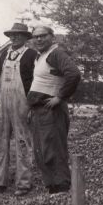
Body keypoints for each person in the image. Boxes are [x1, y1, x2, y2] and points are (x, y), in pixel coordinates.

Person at [0, 23, 37, 195]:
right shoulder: (5, 54)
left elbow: (35, 83)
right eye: (12, 35)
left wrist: (31, 107)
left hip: (22, 102)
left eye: (18, 35)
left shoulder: (31, 55)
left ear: (25, 38)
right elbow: (1, 80)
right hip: (3, 101)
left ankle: (23, 183)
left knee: (23, 142)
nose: (14, 38)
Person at [27, 26, 81, 194]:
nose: (39, 39)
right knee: (42, 152)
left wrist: (60, 97)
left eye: (43, 36)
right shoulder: (40, 56)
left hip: (52, 111)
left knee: (54, 152)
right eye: (35, 37)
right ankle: (52, 190)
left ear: (52, 37)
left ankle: (62, 192)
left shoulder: (56, 54)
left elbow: (74, 74)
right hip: (40, 111)